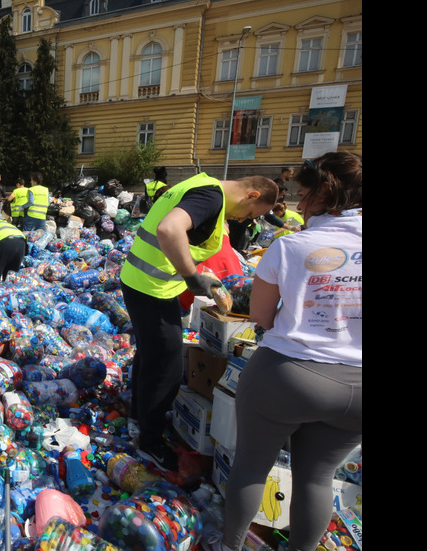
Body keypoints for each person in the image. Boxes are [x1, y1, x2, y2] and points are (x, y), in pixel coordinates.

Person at [222, 153, 362, 551]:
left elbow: (262, 317)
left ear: (326, 193)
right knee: (318, 478)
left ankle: (229, 546)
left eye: (305, 195)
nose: (299, 206)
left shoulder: (290, 247)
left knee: (251, 467)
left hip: (289, 375)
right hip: (359, 389)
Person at [119, 173, 279, 471]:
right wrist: (191, 276)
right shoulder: (211, 196)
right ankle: (150, 441)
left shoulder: (198, 184)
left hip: (141, 280)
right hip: (150, 287)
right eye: (249, 214)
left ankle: (138, 418)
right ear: (252, 196)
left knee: (150, 355)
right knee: (167, 366)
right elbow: (169, 229)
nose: (244, 219)